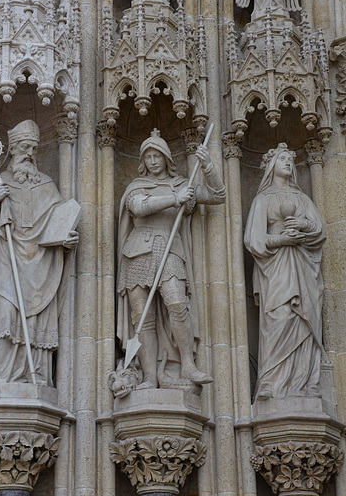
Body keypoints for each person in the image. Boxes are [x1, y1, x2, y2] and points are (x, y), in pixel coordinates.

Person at [0, 120, 79, 387]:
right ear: (13, 148)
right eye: (25, 147)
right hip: (7, 258)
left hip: (41, 263)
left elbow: (58, 222)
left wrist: (66, 240)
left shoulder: (47, 185)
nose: (30, 153)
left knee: (35, 318)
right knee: (5, 311)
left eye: (33, 147)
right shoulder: (1, 182)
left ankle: (36, 374)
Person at [117, 129, 226, 389]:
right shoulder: (137, 187)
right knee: (142, 316)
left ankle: (188, 364)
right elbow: (139, 207)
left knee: (177, 303)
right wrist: (174, 199)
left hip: (169, 247)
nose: (153, 161)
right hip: (137, 251)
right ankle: (150, 376)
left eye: (158, 155)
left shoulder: (183, 184)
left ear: (167, 158)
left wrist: (209, 166)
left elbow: (218, 196)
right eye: (149, 156)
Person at [244, 143, 326, 400]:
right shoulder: (262, 200)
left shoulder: (303, 199)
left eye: (290, 159)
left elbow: (321, 231)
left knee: (304, 320)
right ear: (271, 165)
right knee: (280, 318)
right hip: (276, 268)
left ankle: (304, 384)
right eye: (282, 159)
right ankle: (271, 382)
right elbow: (254, 239)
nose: (288, 163)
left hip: (302, 265)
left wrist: (304, 224)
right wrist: (280, 240)